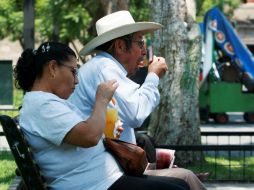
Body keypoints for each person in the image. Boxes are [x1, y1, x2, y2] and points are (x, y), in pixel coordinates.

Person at [14, 41, 190, 190]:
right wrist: (101, 100)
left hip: (102, 181)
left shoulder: (44, 102)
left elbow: (88, 133)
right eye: (73, 71)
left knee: (180, 184)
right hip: (94, 185)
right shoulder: (42, 105)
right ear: (52, 68)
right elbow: (89, 136)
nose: (76, 80)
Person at [69, 11, 206, 190]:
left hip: (113, 166)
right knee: (185, 178)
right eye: (140, 43)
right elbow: (136, 114)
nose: (143, 51)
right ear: (119, 46)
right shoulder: (105, 69)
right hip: (106, 174)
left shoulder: (102, 66)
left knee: (185, 176)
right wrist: (153, 76)